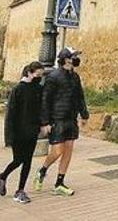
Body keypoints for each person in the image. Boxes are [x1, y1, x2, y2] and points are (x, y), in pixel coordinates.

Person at [34, 47, 88, 196]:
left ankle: (59, 182)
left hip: (71, 118)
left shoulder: (75, 77)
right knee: (58, 151)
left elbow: (80, 97)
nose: (76, 59)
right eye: (74, 56)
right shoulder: (53, 77)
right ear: (65, 59)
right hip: (57, 119)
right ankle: (42, 170)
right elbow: (46, 100)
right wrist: (45, 122)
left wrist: (84, 115)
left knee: (68, 150)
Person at [0, 61, 45, 204]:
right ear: (29, 73)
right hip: (19, 132)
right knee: (18, 160)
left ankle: (20, 190)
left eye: (41, 75)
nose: (39, 78)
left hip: (32, 130)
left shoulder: (38, 89)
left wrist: (42, 124)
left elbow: (41, 108)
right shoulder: (18, 89)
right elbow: (10, 115)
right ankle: (3, 176)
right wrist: (9, 137)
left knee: (28, 161)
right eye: (38, 75)